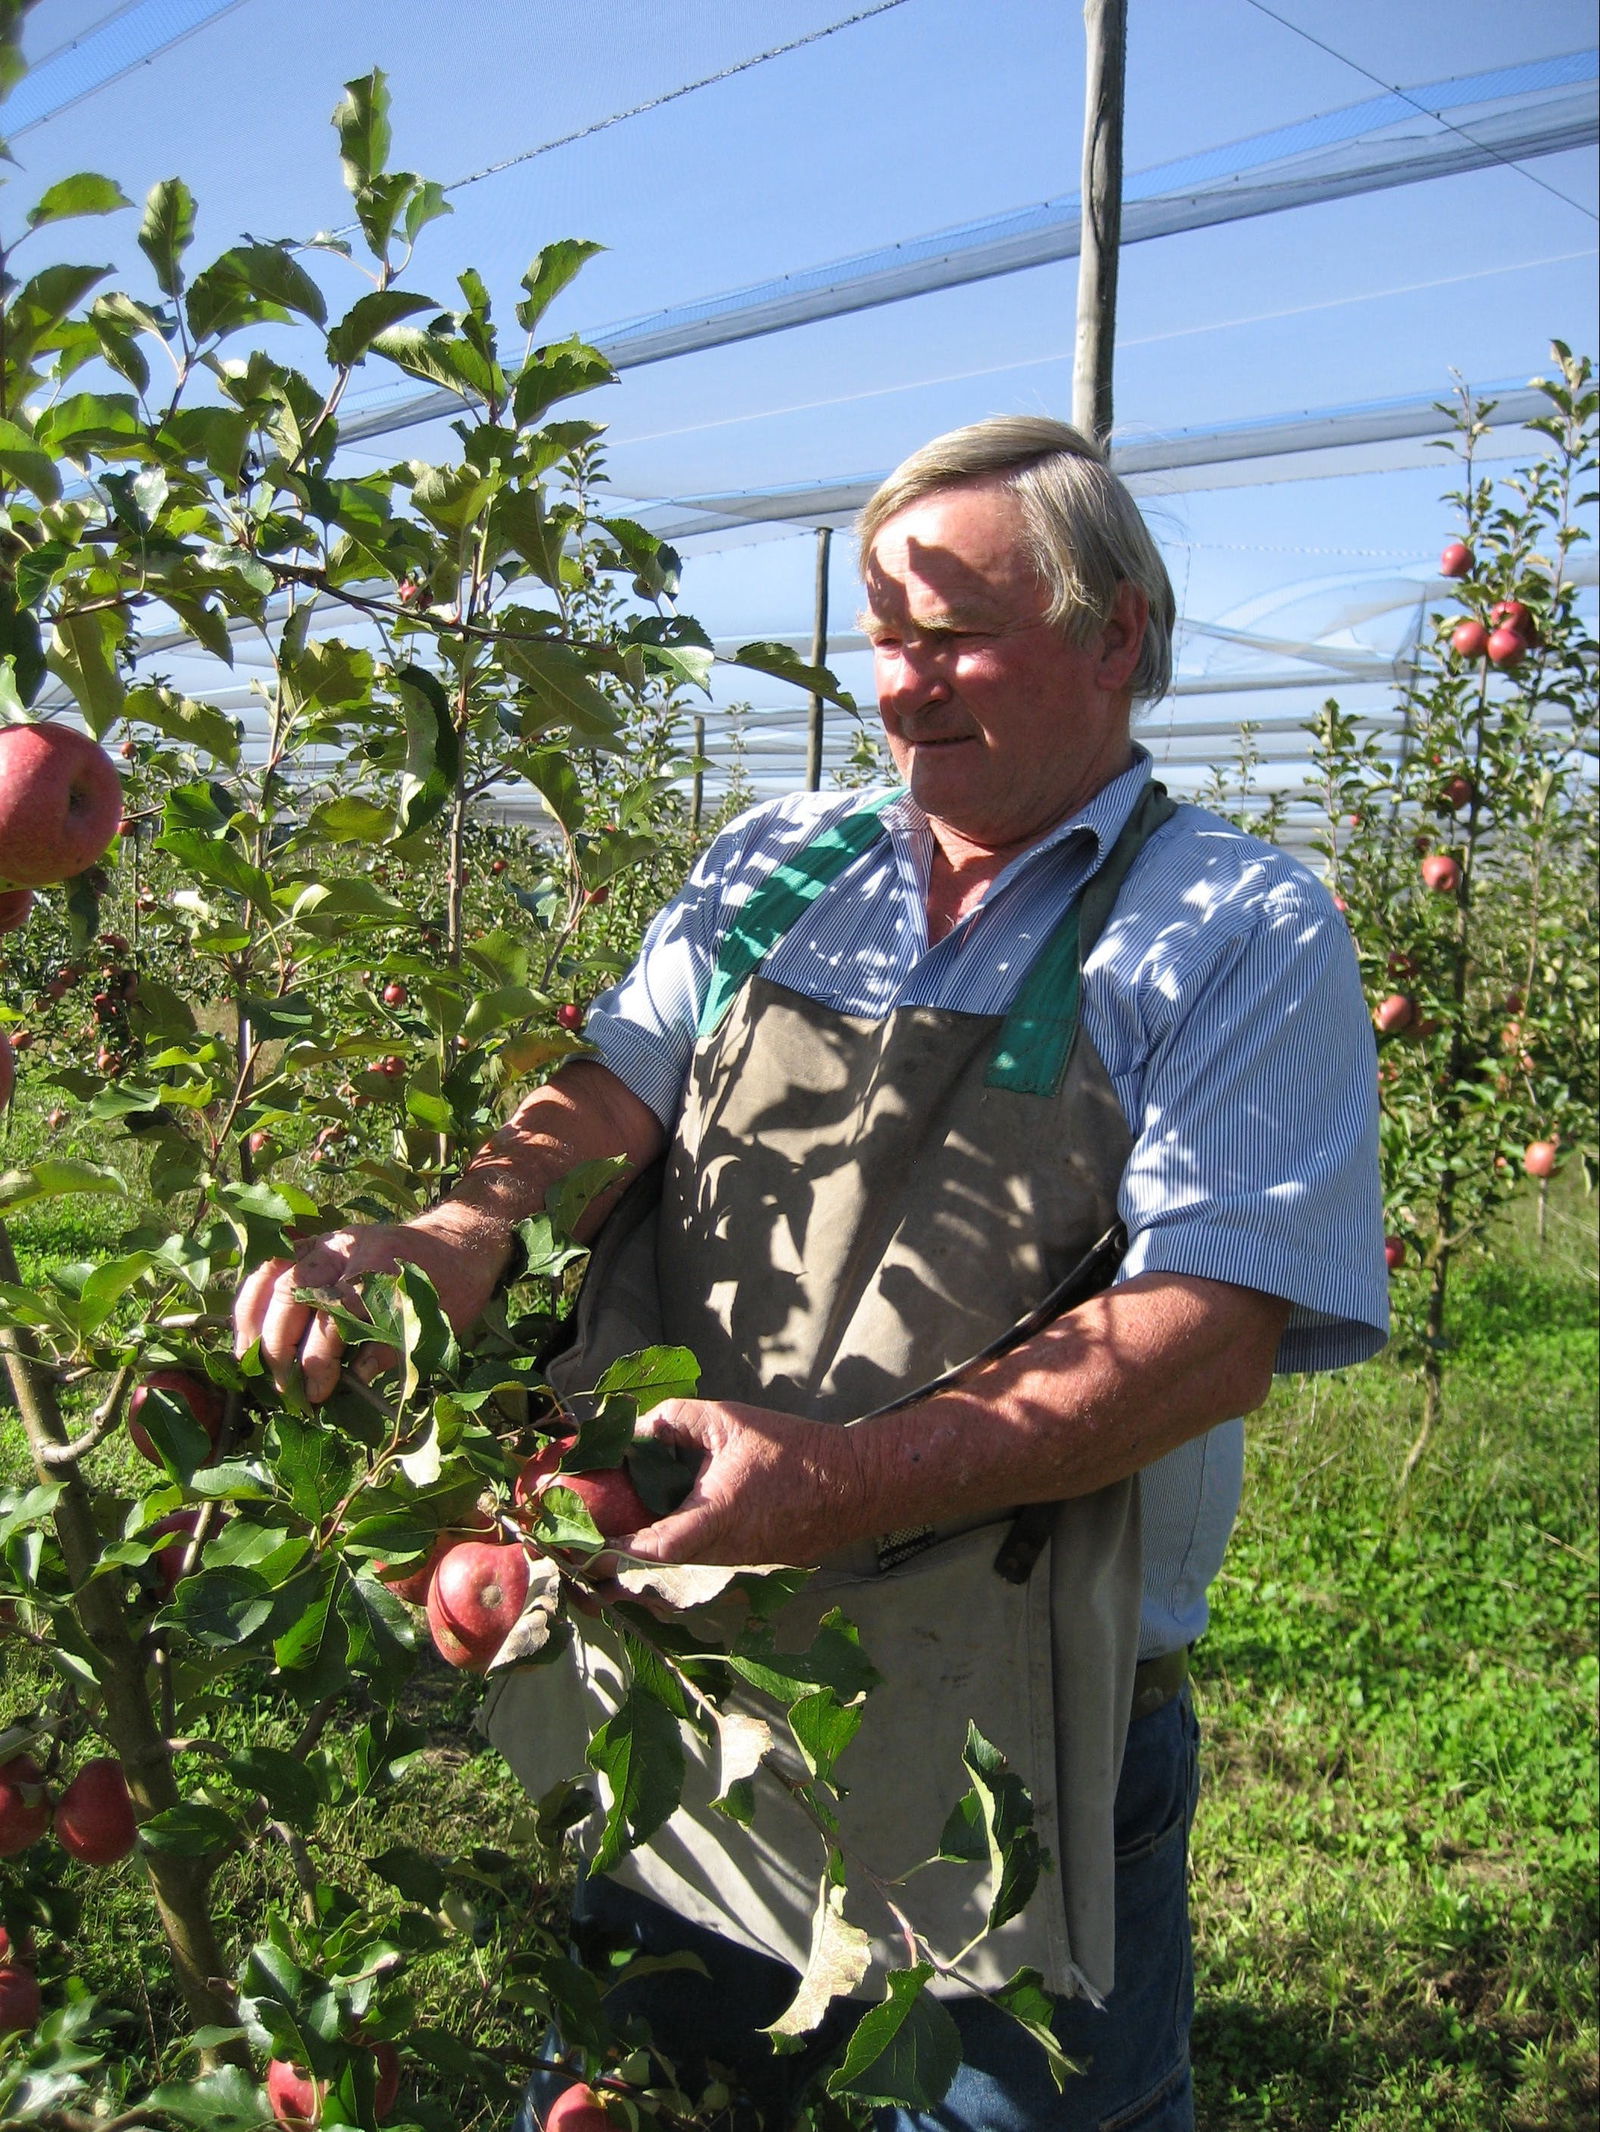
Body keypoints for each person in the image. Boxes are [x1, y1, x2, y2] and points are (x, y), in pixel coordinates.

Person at [236, 415, 1388, 2131]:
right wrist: (459, 1229)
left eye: (954, 636)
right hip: (692, 1638)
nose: (902, 686)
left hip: (1010, 1707)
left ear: (1115, 634)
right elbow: (614, 1089)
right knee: (647, 2087)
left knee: (1014, 2110)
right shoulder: (776, 863)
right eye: (884, 634)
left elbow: (1205, 1338)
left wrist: (840, 1479)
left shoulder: (1232, 927)